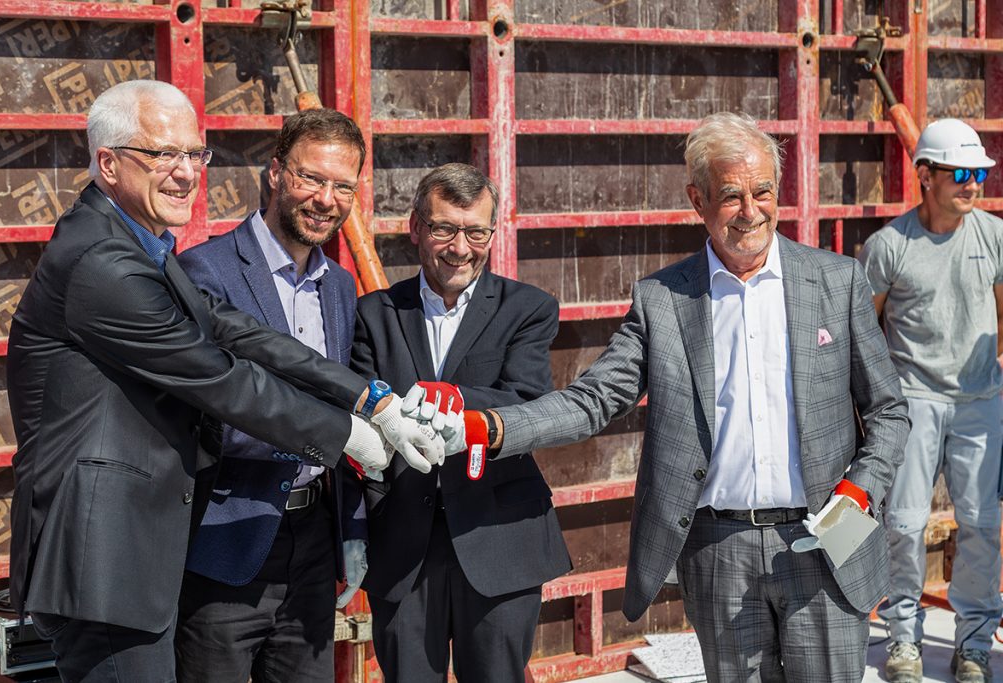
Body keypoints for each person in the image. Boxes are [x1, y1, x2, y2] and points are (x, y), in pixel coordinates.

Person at [6, 79, 441, 682]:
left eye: (195, 155)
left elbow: (236, 331)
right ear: (107, 163)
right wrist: (347, 436)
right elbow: (224, 381)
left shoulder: (142, 247)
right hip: (103, 553)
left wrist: (368, 398)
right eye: (163, 155)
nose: (186, 173)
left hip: (138, 551)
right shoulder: (101, 263)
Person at [469, 113, 909, 682]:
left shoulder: (837, 281)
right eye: (731, 195)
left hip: (824, 543)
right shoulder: (662, 300)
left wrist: (862, 487)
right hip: (717, 550)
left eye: (762, 192)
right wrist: (492, 428)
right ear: (697, 199)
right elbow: (595, 398)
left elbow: (889, 412)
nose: (750, 211)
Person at [351, 163, 571, 683]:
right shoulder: (373, 314)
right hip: (404, 545)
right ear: (416, 228)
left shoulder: (528, 308)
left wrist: (448, 398)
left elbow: (527, 402)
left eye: (476, 232)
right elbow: (360, 409)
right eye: (444, 228)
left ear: (492, 232)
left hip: (500, 540)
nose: (460, 247)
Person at [173, 109, 369, 683]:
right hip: (225, 545)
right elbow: (204, 417)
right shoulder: (204, 272)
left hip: (312, 548)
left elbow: (343, 408)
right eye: (311, 178)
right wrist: (325, 438)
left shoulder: (339, 286)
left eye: (342, 186)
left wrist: (351, 531)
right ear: (276, 173)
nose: (326, 199)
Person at [859, 118, 1003, 683]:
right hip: (913, 402)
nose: (973, 185)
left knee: (981, 523)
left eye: (979, 175)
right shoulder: (888, 246)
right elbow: (864, 335)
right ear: (925, 175)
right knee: (904, 524)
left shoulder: (992, 235)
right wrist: (875, 412)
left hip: (980, 402)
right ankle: (902, 643)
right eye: (961, 174)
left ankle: (972, 645)